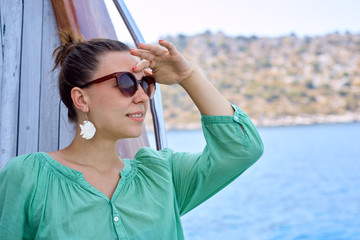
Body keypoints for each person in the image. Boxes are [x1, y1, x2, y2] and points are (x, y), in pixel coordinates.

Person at [0, 32, 263, 239]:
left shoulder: (162, 175)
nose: (142, 96)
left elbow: (242, 149)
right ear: (81, 99)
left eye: (146, 83)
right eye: (125, 82)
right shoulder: (29, 177)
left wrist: (187, 76)